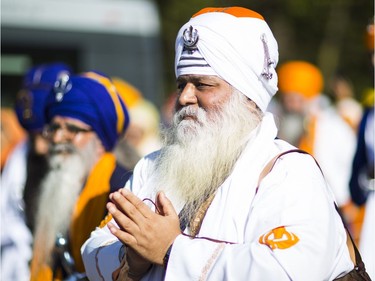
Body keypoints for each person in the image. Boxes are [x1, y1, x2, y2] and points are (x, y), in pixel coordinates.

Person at [81, 7, 356, 281]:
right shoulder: (151, 167)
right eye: (181, 85)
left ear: (247, 96)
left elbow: (288, 270)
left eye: (202, 84)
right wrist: (131, 258)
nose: (185, 97)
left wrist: (171, 250)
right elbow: (93, 247)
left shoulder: (288, 172)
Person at [29, 71, 132, 280]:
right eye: (54, 128)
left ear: (100, 140)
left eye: (72, 130)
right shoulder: (58, 184)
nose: (58, 138)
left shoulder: (122, 189)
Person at [1, 63, 72, 281]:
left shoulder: (76, 161)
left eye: (45, 134)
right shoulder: (20, 158)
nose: (41, 147)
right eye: (33, 137)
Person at [274, 61, 358, 231]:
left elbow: (346, 169)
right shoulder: (272, 123)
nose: (292, 105)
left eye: (298, 99)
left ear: (310, 100)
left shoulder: (334, 128)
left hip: (328, 210)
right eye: (287, 98)